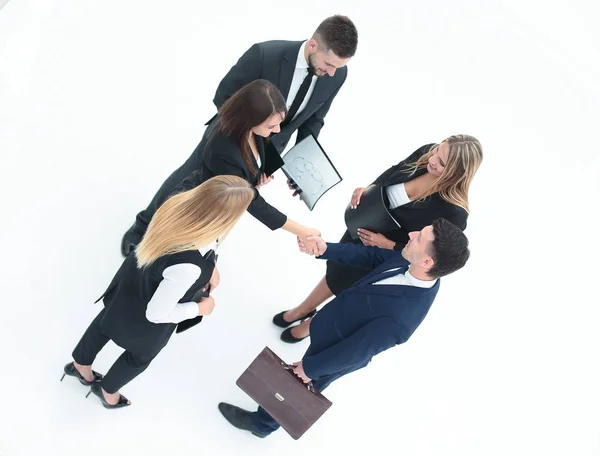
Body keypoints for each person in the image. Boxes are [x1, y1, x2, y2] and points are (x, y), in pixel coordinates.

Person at [120, 15, 358, 255]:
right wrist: (244, 145)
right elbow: (223, 96)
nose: (331, 73)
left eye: (338, 67)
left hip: (271, 151)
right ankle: (143, 228)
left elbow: (314, 119)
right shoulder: (264, 55)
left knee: (228, 202)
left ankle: (182, 245)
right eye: (328, 64)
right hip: (229, 138)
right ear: (313, 45)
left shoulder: (337, 74)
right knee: (186, 181)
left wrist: (298, 165)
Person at [218, 218, 471, 437]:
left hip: (337, 351)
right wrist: (325, 249)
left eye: (419, 238)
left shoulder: (402, 320)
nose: (410, 235)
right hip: (333, 323)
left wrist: (312, 369)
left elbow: (356, 351)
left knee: (299, 386)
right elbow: (370, 256)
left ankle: (262, 424)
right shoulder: (409, 260)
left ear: (427, 261)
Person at [60, 175, 255, 408]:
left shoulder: (176, 206)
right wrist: (199, 308)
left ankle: (80, 365)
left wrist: (211, 266)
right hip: (147, 315)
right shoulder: (189, 267)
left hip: (130, 282)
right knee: (139, 358)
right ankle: (107, 391)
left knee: (105, 322)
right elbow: (157, 314)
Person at [273, 135, 483, 342]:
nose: (432, 159)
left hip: (385, 255)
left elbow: (431, 252)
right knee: (336, 269)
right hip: (363, 226)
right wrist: (370, 188)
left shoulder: (455, 213)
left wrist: (387, 244)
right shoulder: (428, 152)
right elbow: (393, 172)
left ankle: (310, 326)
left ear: (458, 174)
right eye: (438, 150)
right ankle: (304, 308)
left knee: (349, 290)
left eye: (441, 162)